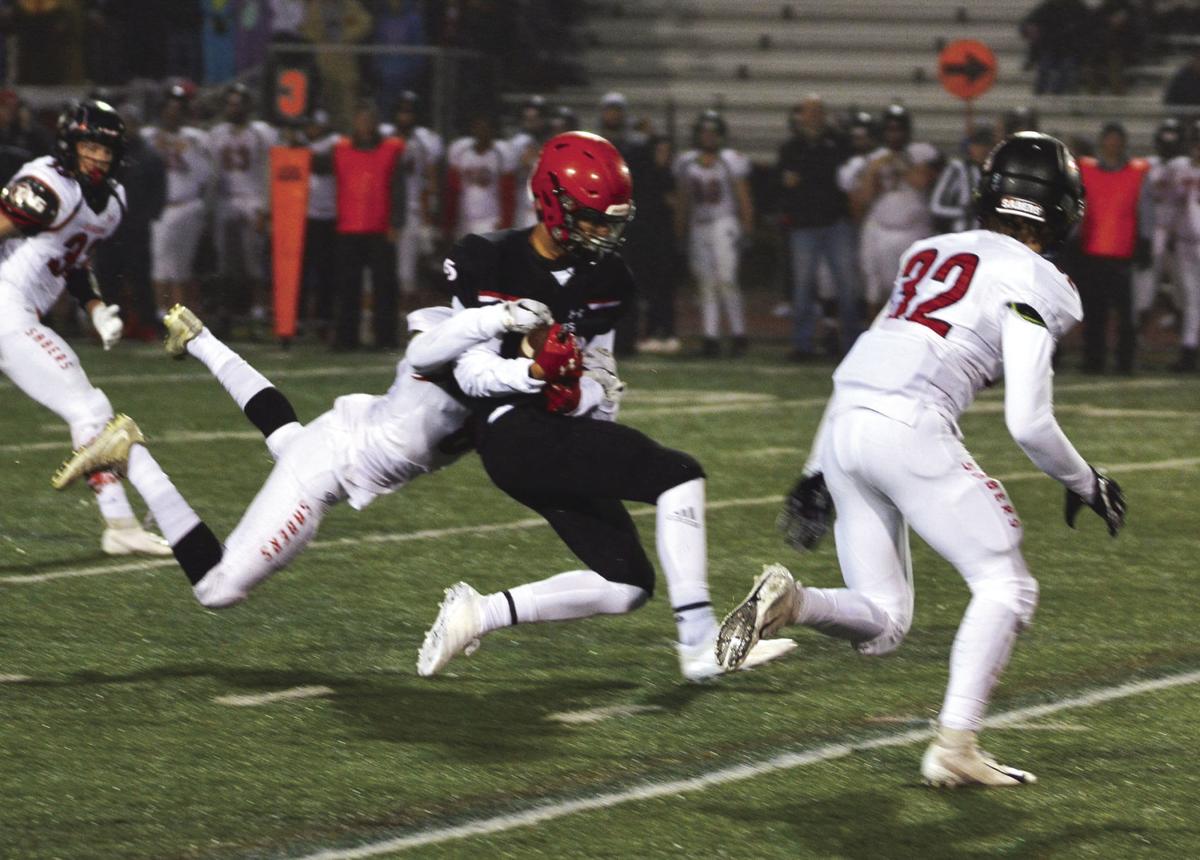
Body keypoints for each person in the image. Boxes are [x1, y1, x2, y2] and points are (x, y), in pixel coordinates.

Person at [715, 133, 1127, 786]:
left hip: (848, 421)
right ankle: (956, 745)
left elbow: (872, 354)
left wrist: (817, 468)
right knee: (1007, 586)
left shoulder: (930, 250)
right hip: (910, 424)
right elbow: (1029, 421)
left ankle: (791, 601)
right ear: (1060, 207)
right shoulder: (1037, 277)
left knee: (882, 622)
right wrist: (1086, 481)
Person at [416, 131, 795, 681]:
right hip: (509, 429)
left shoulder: (610, 280)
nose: (602, 231)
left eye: (609, 220)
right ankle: (697, 640)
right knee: (678, 475)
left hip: (552, 435)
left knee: (626, 586)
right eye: (591, 217)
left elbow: (601, 374)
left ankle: (479, 612)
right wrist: (536, 375)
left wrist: (582, 394)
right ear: (551, 201)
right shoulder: (487, 258)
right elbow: (469, 375)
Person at [51, 298, 557, 609]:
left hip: (344, 436)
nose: (541, 352)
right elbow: (429, 351)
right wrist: (503, 322)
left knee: (284, 433)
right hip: (329, 466)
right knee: (217, 589)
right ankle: (132, 454)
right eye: (536, 342)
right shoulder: (459, 344)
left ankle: (199, 339)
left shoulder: (506, 382)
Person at [0, 99, 169, 556]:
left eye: (105, 149)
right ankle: (120, 526)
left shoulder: (112, 202)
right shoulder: (48, 184)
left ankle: (120, 524)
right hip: (6, 306)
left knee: (90, 409)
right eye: (89, 145)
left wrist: (95, 307)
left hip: (18, 312)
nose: (97, 156)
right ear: (71, 144)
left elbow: (72, 263)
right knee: (90, 407)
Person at [777, 96, 860, 361]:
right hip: (804, 225)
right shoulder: (792, 147)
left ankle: (852, 343)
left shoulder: (838, 143)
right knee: (803, 287)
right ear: (801, 115)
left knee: (847, 286)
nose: (813, 117)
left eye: (817, 112)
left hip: (836, 222)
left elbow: (842, 180)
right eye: (808, 112)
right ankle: (802, 344)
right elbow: (784, 182)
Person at [674, 110, 755, 357]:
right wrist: (680, 231)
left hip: (724, 223)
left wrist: (748, 226)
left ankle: (739, 334)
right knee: (706, 283)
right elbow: (683, 199)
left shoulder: (731, 160)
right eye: (704, 133)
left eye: (713, 133)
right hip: (699, 225)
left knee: (727, 280)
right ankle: (710, 337)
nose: (708, 138)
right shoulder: (686, 161)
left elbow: (743, 196)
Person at [1075, 121, 1149, 374]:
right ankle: (1093, 360)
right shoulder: (1086, 170)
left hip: (1123, 252)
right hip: (1092, 250)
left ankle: (1125, 362)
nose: (1113, 145)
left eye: (1117, 140)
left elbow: (1145, 209)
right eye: (1109, 139)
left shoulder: (1137, 172)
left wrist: (1145, 241)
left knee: (1126, 315)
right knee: (1095, 312)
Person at [854, 105, 940, 321]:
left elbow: (922, 182)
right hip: (880, 229)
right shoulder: (875, 158)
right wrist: (873, 171)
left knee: (914, 286)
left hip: (914, 229)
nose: (895, 135)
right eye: (890, 130)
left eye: (899, 130)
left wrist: (900, 164)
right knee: (876, 287)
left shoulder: (921, 152)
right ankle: (875, 334)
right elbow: (864, 198)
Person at [331, 102, 405, 350]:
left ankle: (385, 337)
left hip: (380, 227)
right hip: (349, 226)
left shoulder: (390, 150)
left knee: (384, 286)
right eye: (361, 121)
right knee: (347, 285)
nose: (365, 126)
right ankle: (346, 337)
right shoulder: (340, 149)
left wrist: (396, 221)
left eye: (369, 121)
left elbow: (398, 187)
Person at [208, 83, 278, 333]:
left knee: (253, 262)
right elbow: (213, 173)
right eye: (230, 103)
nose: (233, 108)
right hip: (225, 201)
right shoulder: (217, 134)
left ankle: (258, 313)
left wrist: (265, 208)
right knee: (225, 263)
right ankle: (227, 313)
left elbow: (270, 170)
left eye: (238, 103)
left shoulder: (261, 133)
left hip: (253, 200)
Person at [94, 102, 166, 340]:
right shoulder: (107, 153)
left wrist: (148, 215)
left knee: (139, 278)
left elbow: (158, 190)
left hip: (135, 225)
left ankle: (146, 325)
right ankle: (113, 325)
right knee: (107, 277)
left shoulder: (148, 155)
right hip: (109, 225)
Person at [143, 82, 213, 319]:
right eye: (169, 108)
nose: (173, 113)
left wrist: (185, 151)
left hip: (188, 205)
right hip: (160, 207)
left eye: (178, 108)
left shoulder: (196, 138)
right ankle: (162, 315)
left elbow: (205, 175)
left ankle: (180, 319)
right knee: (160, 266)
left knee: (180, 268)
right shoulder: (150, 136)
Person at [384, 91, 443, 297]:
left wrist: (431, 214)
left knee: (412, 266)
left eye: (409, 112)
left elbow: (431, 180)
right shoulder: (384, 137)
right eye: (401, 111)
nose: (405, 116)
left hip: (414, 208)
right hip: (385, 207)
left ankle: (412, 308)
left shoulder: (426, 140)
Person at [1164, 120, 1200, 371]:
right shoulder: (1178, 167)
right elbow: (1169, 204)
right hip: (1186, 244)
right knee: (1190, 300)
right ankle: (1188, 351)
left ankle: (1189, 351)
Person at [443, 114, 514, 241]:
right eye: (478, 128)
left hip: (491, 218)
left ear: (492, 131)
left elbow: (508, 192)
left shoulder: (501, 152)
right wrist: (450, 223)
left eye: (486, 129)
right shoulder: (461, 150)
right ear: (472, 130)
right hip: (464, 218)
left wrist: (506, 222)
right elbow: (452, 189)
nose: (482, 132)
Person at [930, 127, 995, 233]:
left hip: (986, 239)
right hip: (960, 236)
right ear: (970, 146)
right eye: (978, 144)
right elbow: (936, 206)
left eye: (987, 145)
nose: (983, 149)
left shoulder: (995, 173)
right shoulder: (957, 169)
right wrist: (965, 211)